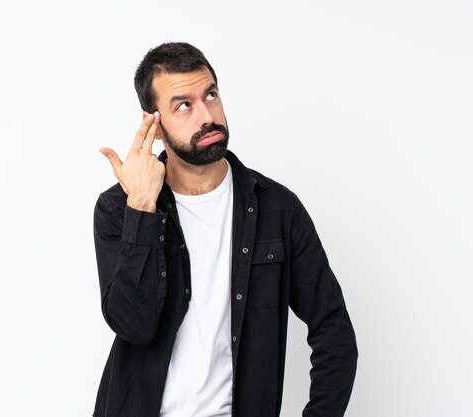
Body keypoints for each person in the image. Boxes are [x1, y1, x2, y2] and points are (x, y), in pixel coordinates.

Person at [93, 42, 357, 417]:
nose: (207, 115)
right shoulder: (118, 209)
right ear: (153, 123)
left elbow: (333, 330)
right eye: (183, 105)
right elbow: (133, 326)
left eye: (211, 95)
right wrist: (142, 208)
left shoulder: (278, 209)